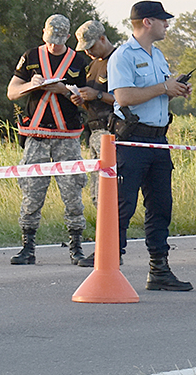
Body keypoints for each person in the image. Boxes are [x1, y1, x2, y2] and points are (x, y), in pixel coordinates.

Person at [106, 1, 193, 291]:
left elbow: (157, 95)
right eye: (162, 20)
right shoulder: (123, 56)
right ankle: (109, 268)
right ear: (146, 22)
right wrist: (163, 87)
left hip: (158, 139)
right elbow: (124, 96)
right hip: (131, 139)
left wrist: (175, 89)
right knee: (123, 206)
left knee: (160, 205)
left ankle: (159, 270)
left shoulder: (158, 56)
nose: (167, 24)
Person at [6, 14, 89, 266]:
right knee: (31, 191)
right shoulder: (30, 56)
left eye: (59, 39)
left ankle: (76, 247)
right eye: (50, 39)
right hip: (37, 135)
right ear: (44, 33)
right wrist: (30, 86)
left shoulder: (77, 60)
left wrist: (66, 91)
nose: (53, 44)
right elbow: (12, 92)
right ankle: (27, 247)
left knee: (72, 191)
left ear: (67, 36)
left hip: (67, 136)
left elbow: (84, 99)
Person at [73, 20, 117, 268]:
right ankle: (105, 246)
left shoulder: (118, 60)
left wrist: (99, 95)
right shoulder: (92, 66)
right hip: (94, 131)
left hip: (111, 133)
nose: (88, 52)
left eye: (91, 46)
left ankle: (109, 248)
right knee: (96, 194)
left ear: (103, 38)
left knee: (106, 194)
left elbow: (125, 97)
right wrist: (83, 99)